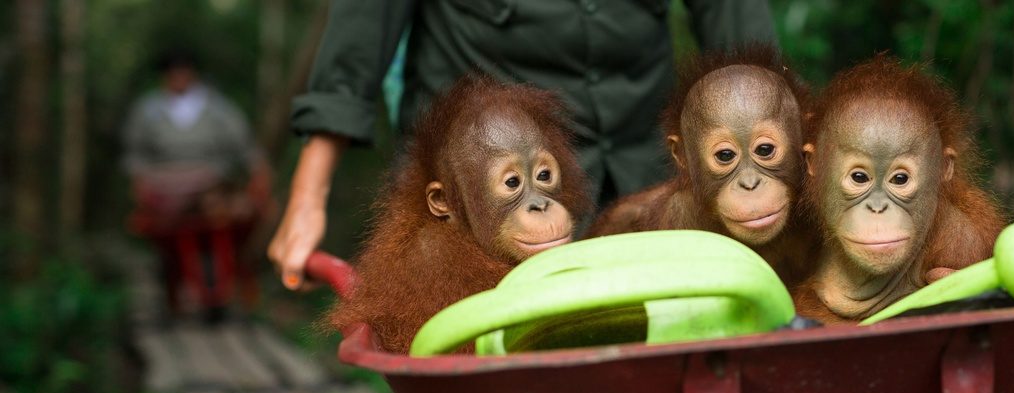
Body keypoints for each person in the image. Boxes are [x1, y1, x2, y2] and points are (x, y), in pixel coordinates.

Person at [268, 0, 779, 291]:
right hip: (484, 192)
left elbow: (737, 22)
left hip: (636, 166)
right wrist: (307, 196)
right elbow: (363, 23)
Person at [123, 50, 273, 320]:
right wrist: (140, 184)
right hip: (164, 187)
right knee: (170, 238)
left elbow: (246, 146)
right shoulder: (148, 110)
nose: (179, 77)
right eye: (172, 72)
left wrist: (259, 175)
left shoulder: (218, 108)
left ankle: (221, 293)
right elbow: (135, 154)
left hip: (210, 184)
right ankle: (179, 293)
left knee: (223, 218)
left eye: (184, 71)